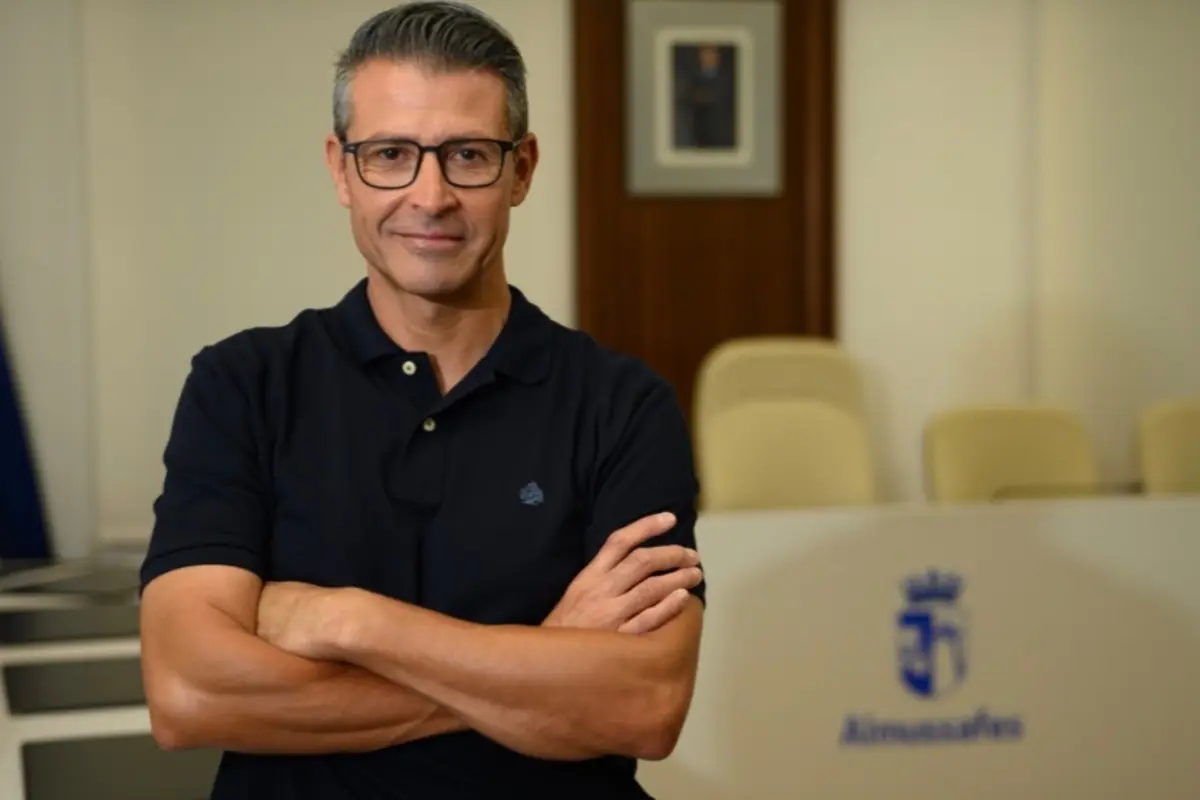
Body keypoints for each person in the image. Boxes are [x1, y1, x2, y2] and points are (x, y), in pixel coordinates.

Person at [137, 3, 706, 798]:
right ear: (340, 168)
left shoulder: (623, 405)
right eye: (391, 154)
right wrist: (538, 660)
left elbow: (643, 705)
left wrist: (353, 624)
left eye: (468, 154)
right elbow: (188, 695)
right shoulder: (243, 385)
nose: (429, 195)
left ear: (522, 169)